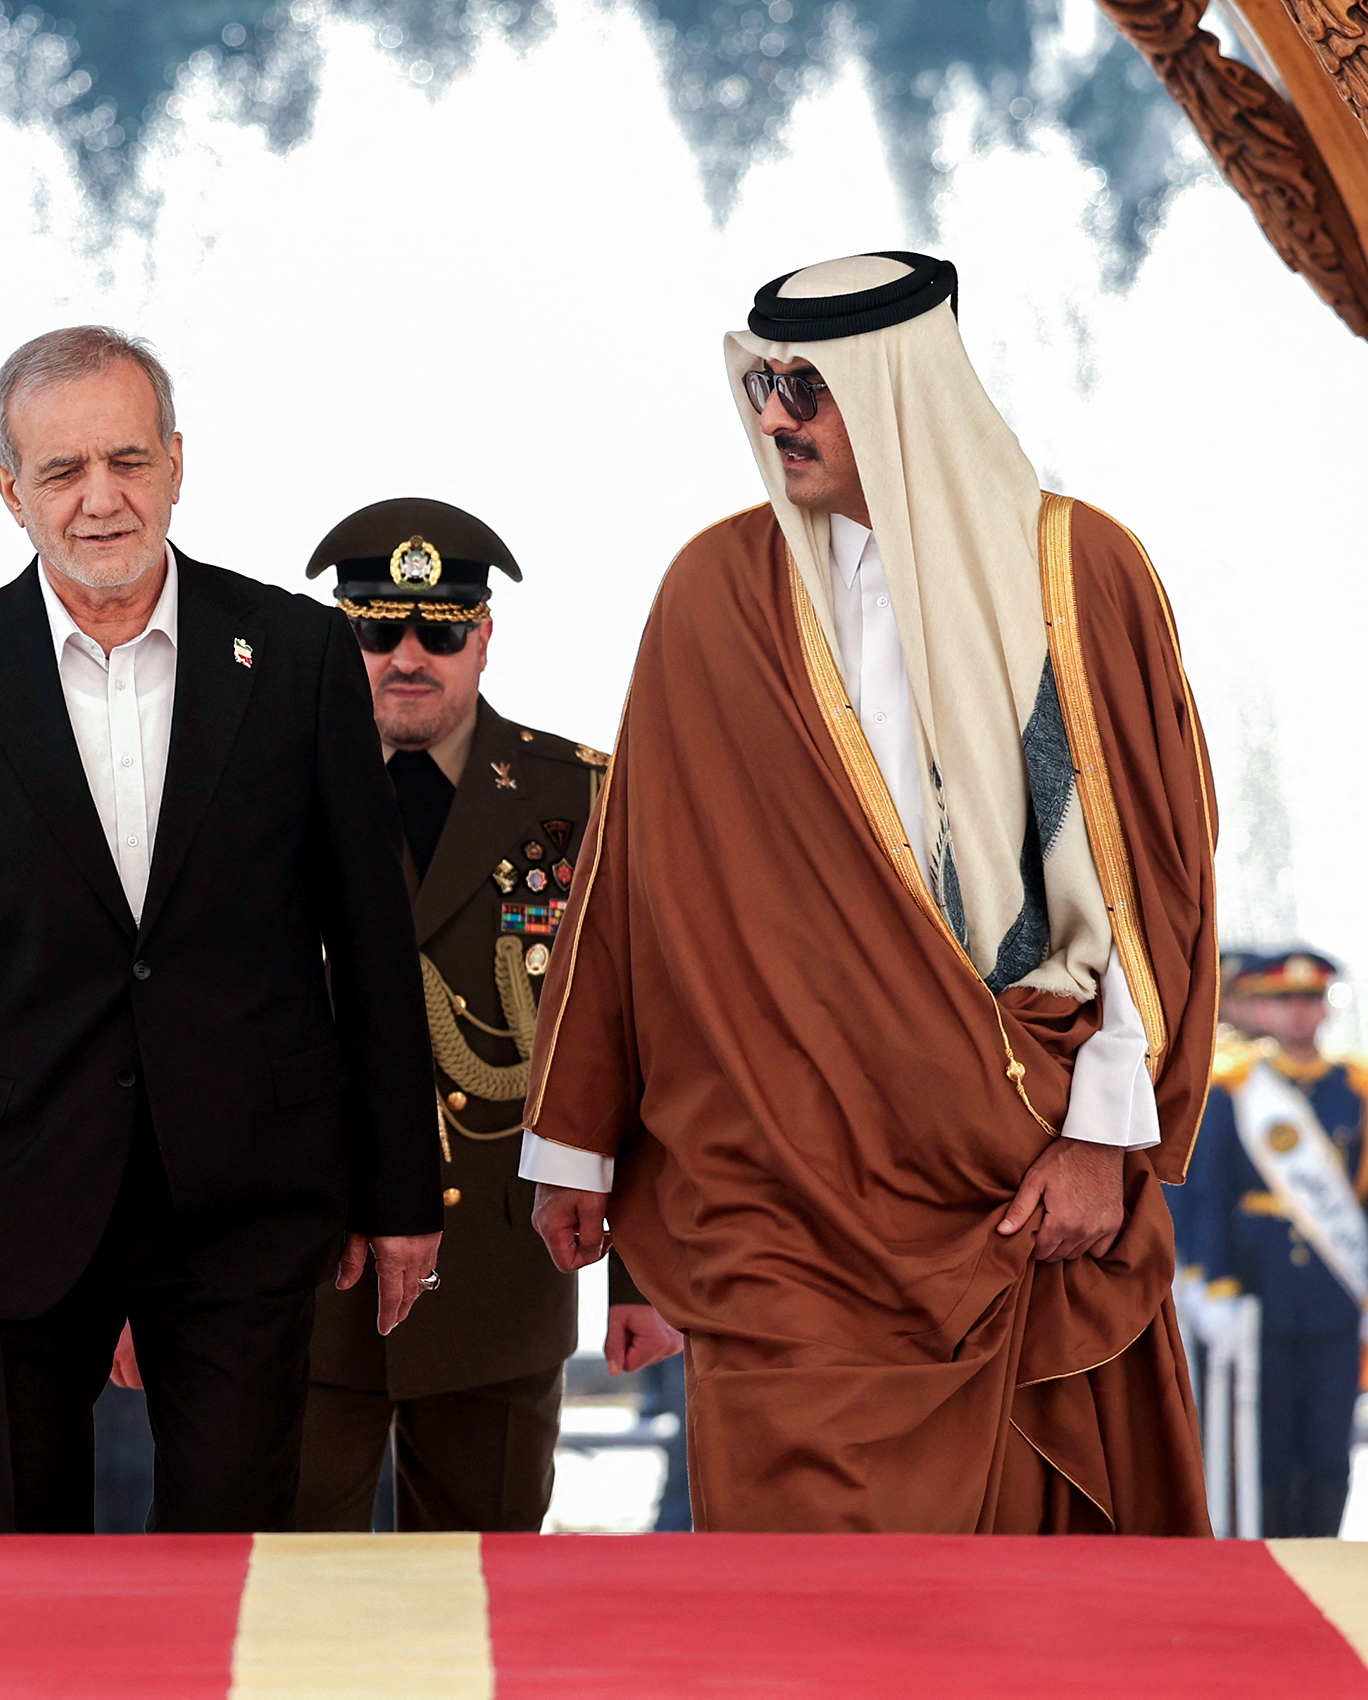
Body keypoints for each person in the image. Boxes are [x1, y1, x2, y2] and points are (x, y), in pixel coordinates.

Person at [519, 251, 1219, 1533]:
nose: (775, 416)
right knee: (796, 1605)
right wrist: (575, 1143)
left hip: (1011, 1168)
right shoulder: (715, 592)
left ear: (904, 392)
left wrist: (1106, 1135)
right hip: (774, 1182)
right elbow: (630, 885)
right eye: (766, 383)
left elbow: (1147, 887)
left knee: (1018, 1609)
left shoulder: (1076, 572)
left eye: (810, 389)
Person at [0, 325, 441, 1536]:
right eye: (62, 471)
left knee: (232, 1565)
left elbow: (368, 936)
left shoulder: (298, 653)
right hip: (11, 1193)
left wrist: (403, 1191)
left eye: (130, 460)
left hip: (248, 1199)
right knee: (16, 1582)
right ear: (9, 491)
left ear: (179, 464)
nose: (103, 499)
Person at [292, 497, 684, 1533]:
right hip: (300, 1276)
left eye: (440, 629)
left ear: (484, 635)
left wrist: (639, 1275)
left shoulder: (581, 800)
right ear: (342, 634)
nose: (408, 654)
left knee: (478, 1606)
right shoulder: (265, 788)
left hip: (504, 1275)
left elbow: (640, 1039)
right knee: (292, 1607)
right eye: (378, 627)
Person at [1186, 947, 1368, 1538]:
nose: (1297, 1014)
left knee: (1329, 1436)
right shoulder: (1236, 1084)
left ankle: (1324, 1551)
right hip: (1260, 1286)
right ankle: (1268, 1554)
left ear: (1325, 1010)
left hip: (1332, 1290)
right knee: (1266, 1439)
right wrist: (1216, 1282)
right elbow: (1212, 1193)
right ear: (1262, 1009)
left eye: (1308, 1000)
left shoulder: (1358, 1088)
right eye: (1283, 1001)